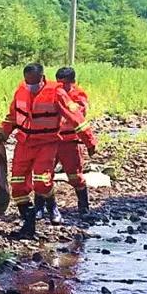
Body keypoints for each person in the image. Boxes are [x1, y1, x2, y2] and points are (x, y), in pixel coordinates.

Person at [0, 63, 96, 239]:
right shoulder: (21, 92)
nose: (31, 85)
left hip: (50, 143)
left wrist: (89, 141)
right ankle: (29, 221)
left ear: (42, 78)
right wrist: (3, 131)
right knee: (18, 185)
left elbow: (77, 118)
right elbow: (13, 116)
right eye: (28, 82)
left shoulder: (57, 93)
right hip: (25, 143)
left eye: (34, 82)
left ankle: (61, 207)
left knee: (43, 181)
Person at [55, 66, 92, 215]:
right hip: (52, 140)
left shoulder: (78, 97)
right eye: (59, 83)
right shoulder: (53, 94)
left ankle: (83, 207)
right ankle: (45, 207)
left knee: (75, 176)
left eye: (65, 84)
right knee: (43, 176)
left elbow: (77, 116)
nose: (62, 87)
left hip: (70, 142)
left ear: (72, 82)